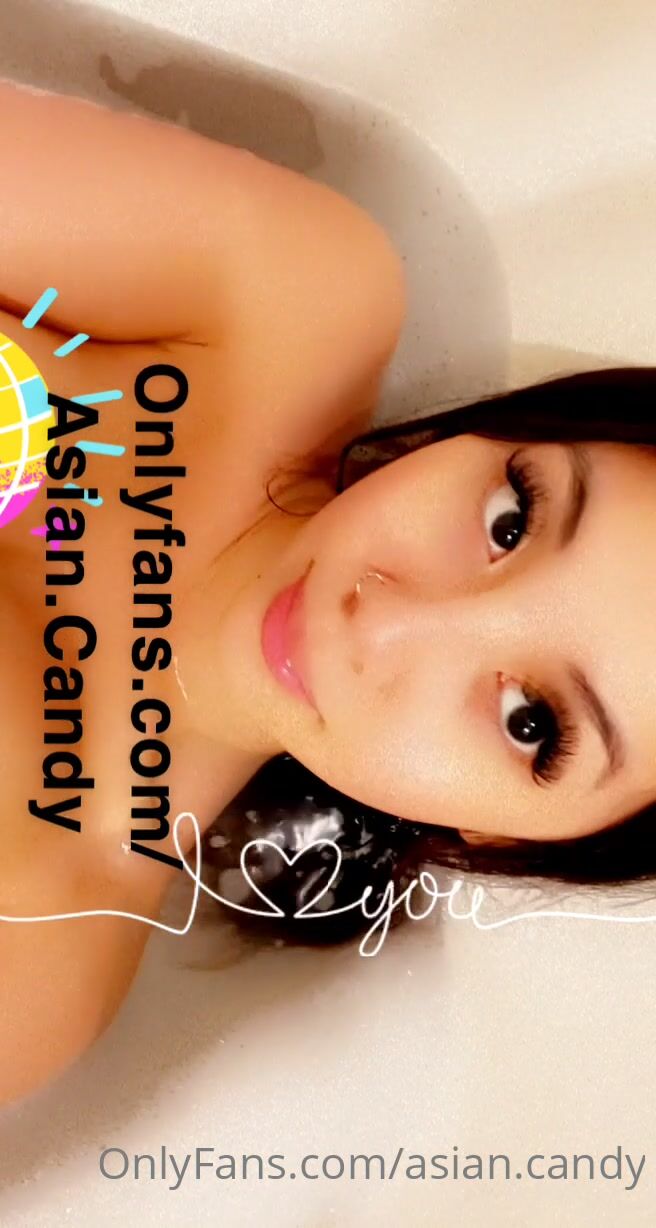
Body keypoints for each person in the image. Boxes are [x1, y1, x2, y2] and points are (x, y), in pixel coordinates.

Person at [0, 79, 653, 1105]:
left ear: (499, 839)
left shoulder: (39, 949)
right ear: (497, 433)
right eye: (511, 519)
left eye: (531, 722)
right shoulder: (283, 301)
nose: (386, 619)